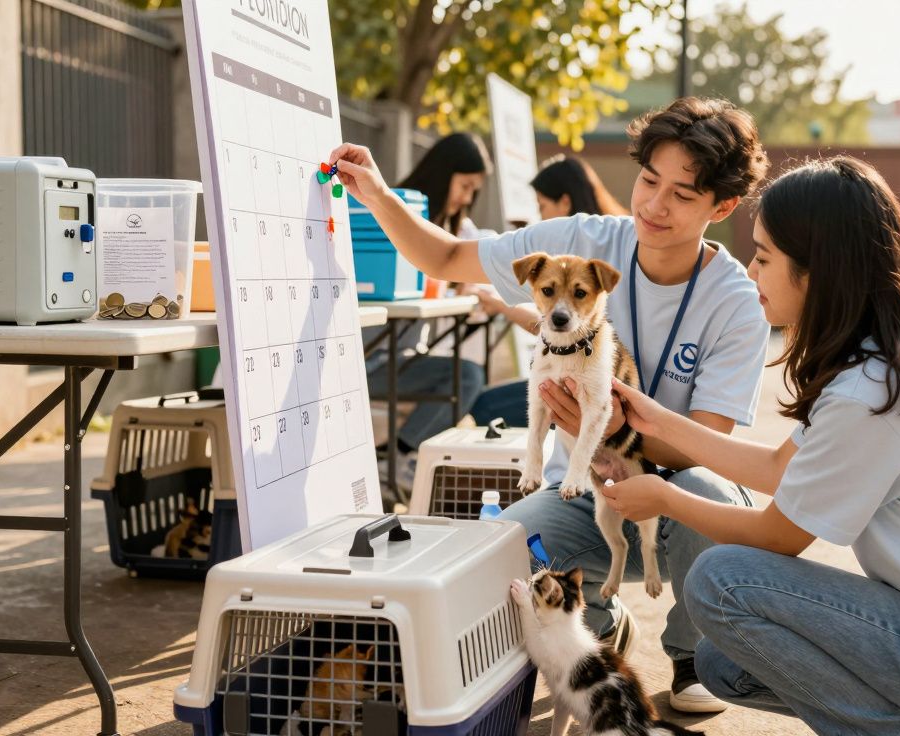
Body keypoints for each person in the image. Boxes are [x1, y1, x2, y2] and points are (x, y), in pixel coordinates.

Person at [603, 157, 900, 735]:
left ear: (817, 272)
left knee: (719, 581)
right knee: (723, 664)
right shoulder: (895, 357)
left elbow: (778, 536)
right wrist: (656, 421)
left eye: (764, 257)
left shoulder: (869, 393)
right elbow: (781, 468)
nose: (751, 271)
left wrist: (664, 498)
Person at [331, 97, 772, 712]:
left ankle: (691, 654)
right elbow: (447, 257)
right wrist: (378, 195)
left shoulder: (736, 302)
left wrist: (613, 428)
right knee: (498, 556)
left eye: (682, 194)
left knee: (711, 493)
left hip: (679, 493)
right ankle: (600, 621)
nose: (654, 205)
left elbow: (707, 442)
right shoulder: (580, 240)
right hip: (582, 492)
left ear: (722, 207)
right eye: (649, 180)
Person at [363, 133, 494, 492]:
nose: (467, 198)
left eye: (473, 191)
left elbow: (477, 257)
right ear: (443, 173)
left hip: (400, 354)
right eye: (464, 186)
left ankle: (397, 455)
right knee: (466, 377)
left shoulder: (452, 225)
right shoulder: (394, 215)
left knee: (467, 376)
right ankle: (398, 456)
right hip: (370, 359)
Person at [468, 154, 630, 428]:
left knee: (486, 405)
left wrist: (501, 305)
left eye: (542, 206)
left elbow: (557, 329)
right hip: (607, 379)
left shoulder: (581, 263)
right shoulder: (615, 241)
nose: (539, 216)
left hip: (591, 386)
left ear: (565, 202)